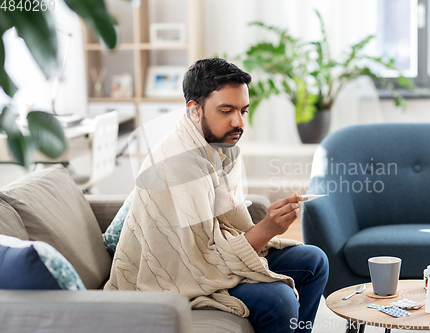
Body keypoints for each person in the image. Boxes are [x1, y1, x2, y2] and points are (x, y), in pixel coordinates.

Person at [105, 58, 329, 333]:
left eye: (244, 111)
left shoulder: (223, 145)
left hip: (213, 257)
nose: (238, 122)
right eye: (226, 111)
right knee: (279, 301)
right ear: (194, 110)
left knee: (314, 261)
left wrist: (267, 228)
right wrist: (268, 228)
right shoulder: (179, 163)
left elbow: (230, 225)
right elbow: (197, 262)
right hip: (178, 277)